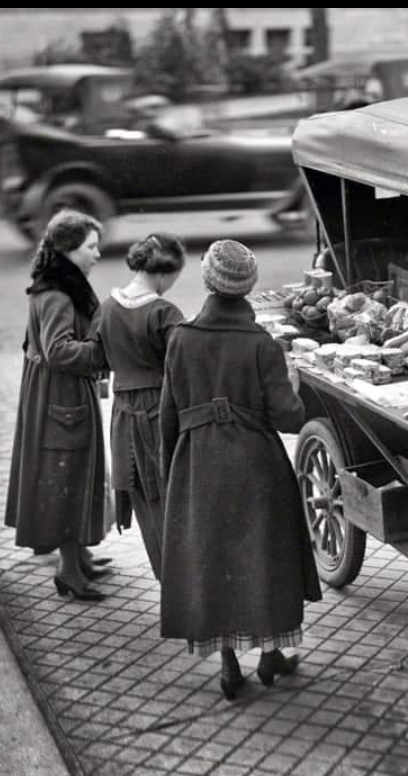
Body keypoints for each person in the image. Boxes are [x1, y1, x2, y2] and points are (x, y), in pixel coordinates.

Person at [158, 239, 321, 699]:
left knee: (217, 560)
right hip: (256, 465)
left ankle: (229, 663)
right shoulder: (262, 345)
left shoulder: (181, 339)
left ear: (208, 281)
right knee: (265, 558)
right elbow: (288, 418)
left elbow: (167, 416)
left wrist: (174, 472)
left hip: (198, 463)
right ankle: (271, 654)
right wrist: (293, 382)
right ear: (247, 288)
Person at [5, 209, 110, 601]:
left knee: (74, 473)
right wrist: (102, 352)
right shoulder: (59, 294)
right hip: (60, 397)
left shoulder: (58, 283)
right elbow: (58, 351)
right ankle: (69, 572)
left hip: (58, 394)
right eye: (91, 247)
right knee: (67, 477)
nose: (97, 254)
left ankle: (78, 555)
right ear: (68, 251)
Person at [94, 233, 186, 581]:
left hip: (122, 414)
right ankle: (182, 582)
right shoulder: (164, 312)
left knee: (145, 500)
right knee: (171, 495)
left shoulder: (107, 307)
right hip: (159, 409)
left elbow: (99, 357)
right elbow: (183, 366)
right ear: (164, 272)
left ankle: (166, 578)